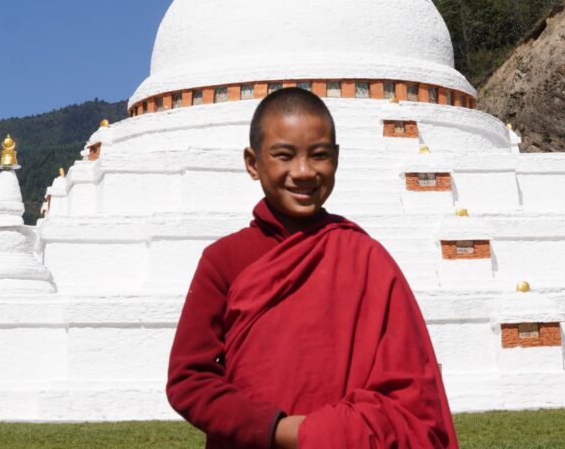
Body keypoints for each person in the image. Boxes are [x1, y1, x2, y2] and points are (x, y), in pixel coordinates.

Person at [166, 87, 459, 448]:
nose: (303, 172)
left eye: (319, 156)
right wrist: (280, 430)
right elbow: (189, 379)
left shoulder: (365, 257)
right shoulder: (225, 260)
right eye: (284, 156)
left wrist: (331, 432)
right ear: (253, 163)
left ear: (336, 158)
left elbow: (412, 389)